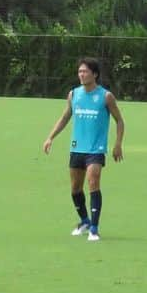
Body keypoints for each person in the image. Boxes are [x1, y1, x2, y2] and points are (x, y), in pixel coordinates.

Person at [42, 57, 124, 242]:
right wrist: (50, 137)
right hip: (77, 148)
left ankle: (94, 228)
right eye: (79, 71)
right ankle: (84, 221)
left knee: (93, 182)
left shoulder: (106, 96)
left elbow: (120, 120)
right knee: (75, 188)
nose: (81, 74)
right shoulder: (74, 95)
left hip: (96, 149)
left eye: (85, 71)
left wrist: (118, 144)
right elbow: (64, 118)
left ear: (94, 74)